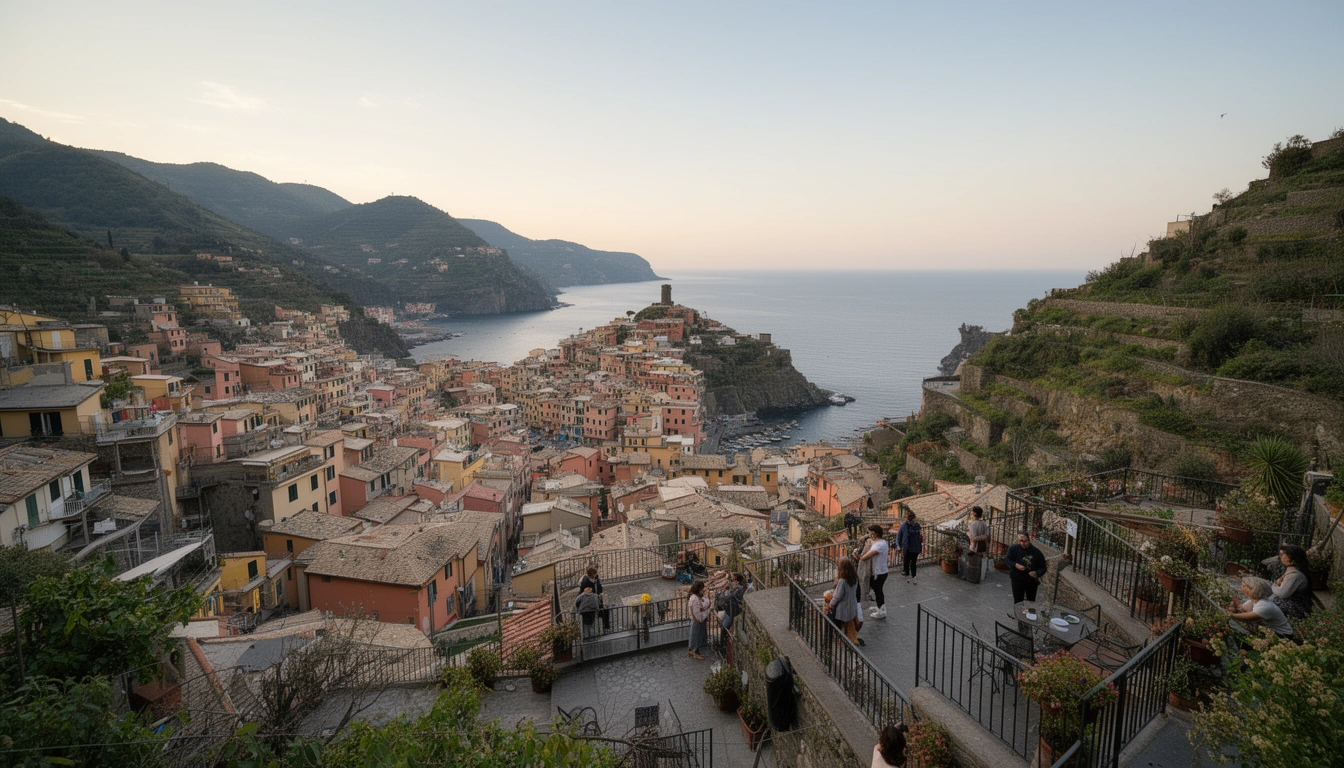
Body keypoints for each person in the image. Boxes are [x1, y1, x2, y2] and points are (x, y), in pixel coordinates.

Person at [1229, 576, 1294, 638]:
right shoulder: (1254, 601)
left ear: (1252, 589)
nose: (1241, 587)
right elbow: (1242, 610)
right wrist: (1234, 605)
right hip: (1271, 631)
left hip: (1282, 635)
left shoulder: (1265, 605)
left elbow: (1249, 617)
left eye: (1243, 586)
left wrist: (1230, 615)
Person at [1271, 545, 1313, 620]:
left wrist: (1273, 585)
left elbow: (1282, 593)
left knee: (1264, 606)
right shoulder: (1291, 570)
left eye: (1283, 554)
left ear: (1291, 557)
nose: (1281, 556)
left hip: (1295, 607)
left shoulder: (1296, 575)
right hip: (1288, 602)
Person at [827, 556, 862, 644]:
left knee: (835, 625)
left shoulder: (842, 581)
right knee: (847, 624)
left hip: (842, 608)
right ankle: (847, 638)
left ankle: (837, 639)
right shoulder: (855, 578)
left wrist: (831, 604)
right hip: (851, 606)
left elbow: (838, 596)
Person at [1006, 531, 1047, 604]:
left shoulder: (1036, 552)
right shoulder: (1013, 548)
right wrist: (1015, 565)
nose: (1023, 543)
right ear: (1018, 540)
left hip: (1030, 581)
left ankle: (1030, 614)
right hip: (1017, 578)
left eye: (1025, 541)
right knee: (1018, 600)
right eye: (1021, 541)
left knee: (1031, 601)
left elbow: (1043, 567)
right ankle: (1018, 614)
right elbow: (1008, 559)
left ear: (1029, 540)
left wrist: (1036, 573)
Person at [861, 524, 890, 619]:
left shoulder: (878, 546)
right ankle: (879, 606)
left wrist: (859, 555)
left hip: (878, 573)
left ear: (874, 533)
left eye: (870, 532)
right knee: (877, 590)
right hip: (882, 571)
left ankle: (882, 610)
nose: (870, 534)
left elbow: (864, 557)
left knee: (878, 591)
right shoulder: (883, 542)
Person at [895, 511, 923, 583]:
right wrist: (898, 545)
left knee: (913, 562)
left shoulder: (917, 525)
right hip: (907, 546)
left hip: (915, 546)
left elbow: (919, 535)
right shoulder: (904, 525)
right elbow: (899, 536)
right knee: (907, 561)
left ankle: (913, 576)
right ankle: (908, 574)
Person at [687, 579, 711, 659]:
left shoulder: (694, 597)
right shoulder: (695, 599)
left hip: (697, 620)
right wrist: (701, 618)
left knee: (694, 635)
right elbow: (695, 613)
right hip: (697, 621)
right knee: (697, 636)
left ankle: (692, 650)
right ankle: (695, 652)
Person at [580, 566, 609, 631]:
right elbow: (583, 593)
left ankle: (606, 627)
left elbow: (599, 587)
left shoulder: (596, 577)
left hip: (597, 599)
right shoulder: (585, 581)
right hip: (589, 602)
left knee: (606, 610)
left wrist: (600, 593)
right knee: (602, 611)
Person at [966, 506, 990, 579]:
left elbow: (972, 537)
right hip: (982, 546)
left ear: (974, 513)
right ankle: (981, 575)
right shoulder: (984, 523)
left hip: (974, 546)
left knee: (973, 561)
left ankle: (973, 576)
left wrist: (968, 534)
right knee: (981, 560)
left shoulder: (972, 524)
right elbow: (986, 535)